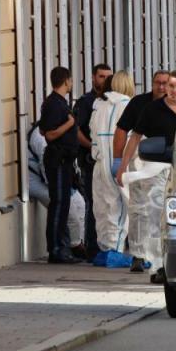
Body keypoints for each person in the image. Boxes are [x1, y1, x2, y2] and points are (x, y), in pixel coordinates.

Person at [116, 70, 176, 283]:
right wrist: (121, 164)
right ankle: (157, 265)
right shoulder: (149, 108)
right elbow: (134, 136)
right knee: (156, 214)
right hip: (155, 165)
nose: (169, 90)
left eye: (175, 86)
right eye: (167, 85)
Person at [112, 70, 169, 272]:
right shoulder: (139, 103)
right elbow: (122, 130)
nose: (161, 87)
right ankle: (137, 254)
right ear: (152, 83)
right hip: (141, 158)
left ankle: (162, 255)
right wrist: (118, 161)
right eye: (157, 83)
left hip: (168, 159)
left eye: (165, 83)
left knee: (163, 208)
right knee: (138, 206)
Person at [89, 71, 135, 267]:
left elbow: (92, 133)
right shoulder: (128, 105)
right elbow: (133, 136)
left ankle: (105, 248)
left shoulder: (99, 106)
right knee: (121, 208)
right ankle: (115, 251)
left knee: (102, 206)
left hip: (99, 162)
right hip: (119, 161)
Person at [38, 66, 83, 264]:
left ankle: (62, 247)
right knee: (58, 204)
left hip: (64, 161)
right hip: (57, 160)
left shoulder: (58, 103)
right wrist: (69, 124)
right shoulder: (54, 104)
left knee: (63, 204)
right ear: (66, 81)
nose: (71, 84)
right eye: (71, 81)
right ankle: (56, 249)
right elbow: (49, 134)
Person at [27, 123, 88, 253]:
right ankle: (74, 246)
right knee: (68, 208)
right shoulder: (39, 137)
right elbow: (45, 164)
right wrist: (59, 188)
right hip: (37, 181)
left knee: (80, 204)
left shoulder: (60, 129)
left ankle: (79, 241)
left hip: (58, 176)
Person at [73, 64, 113, 261]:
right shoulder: (85, 102)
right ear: (93, 78)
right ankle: (92, 247)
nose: (104, 80)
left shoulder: (113, 102)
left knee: (109, 204)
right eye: (101, 76)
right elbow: (77, 130)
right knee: (93, 203)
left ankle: (107, 245)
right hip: (90, 161)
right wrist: (92, 147)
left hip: (109, 160)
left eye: (108, 76)